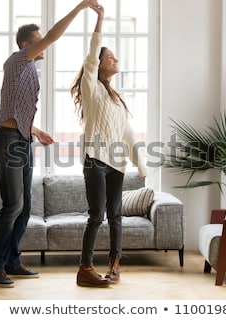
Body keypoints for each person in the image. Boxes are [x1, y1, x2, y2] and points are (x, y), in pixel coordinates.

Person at [0, 0, 99, 288]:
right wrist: (80, 7)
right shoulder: (16, 60)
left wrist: (35, 131)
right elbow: (52, 36)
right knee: (13, 205)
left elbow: (13, 109)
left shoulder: (30, 71)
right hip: (7, 141)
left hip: (21, 140)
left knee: (24, 208)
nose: (45, 44)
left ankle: (11, 260)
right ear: (26, 44)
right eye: (38, 41)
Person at [70, 4, 148, 288]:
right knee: (97, 215)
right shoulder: (91, 89)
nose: (115, 59)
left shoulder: (115, 97)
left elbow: (128, 133)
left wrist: (141, 163)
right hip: (96, 160)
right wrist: (100, 18)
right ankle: (85, 268)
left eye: (115, 57)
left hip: (117, 164)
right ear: (99, 64)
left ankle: (115, 265)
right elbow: (91, 56)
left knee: (116, 216)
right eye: (110, 57)